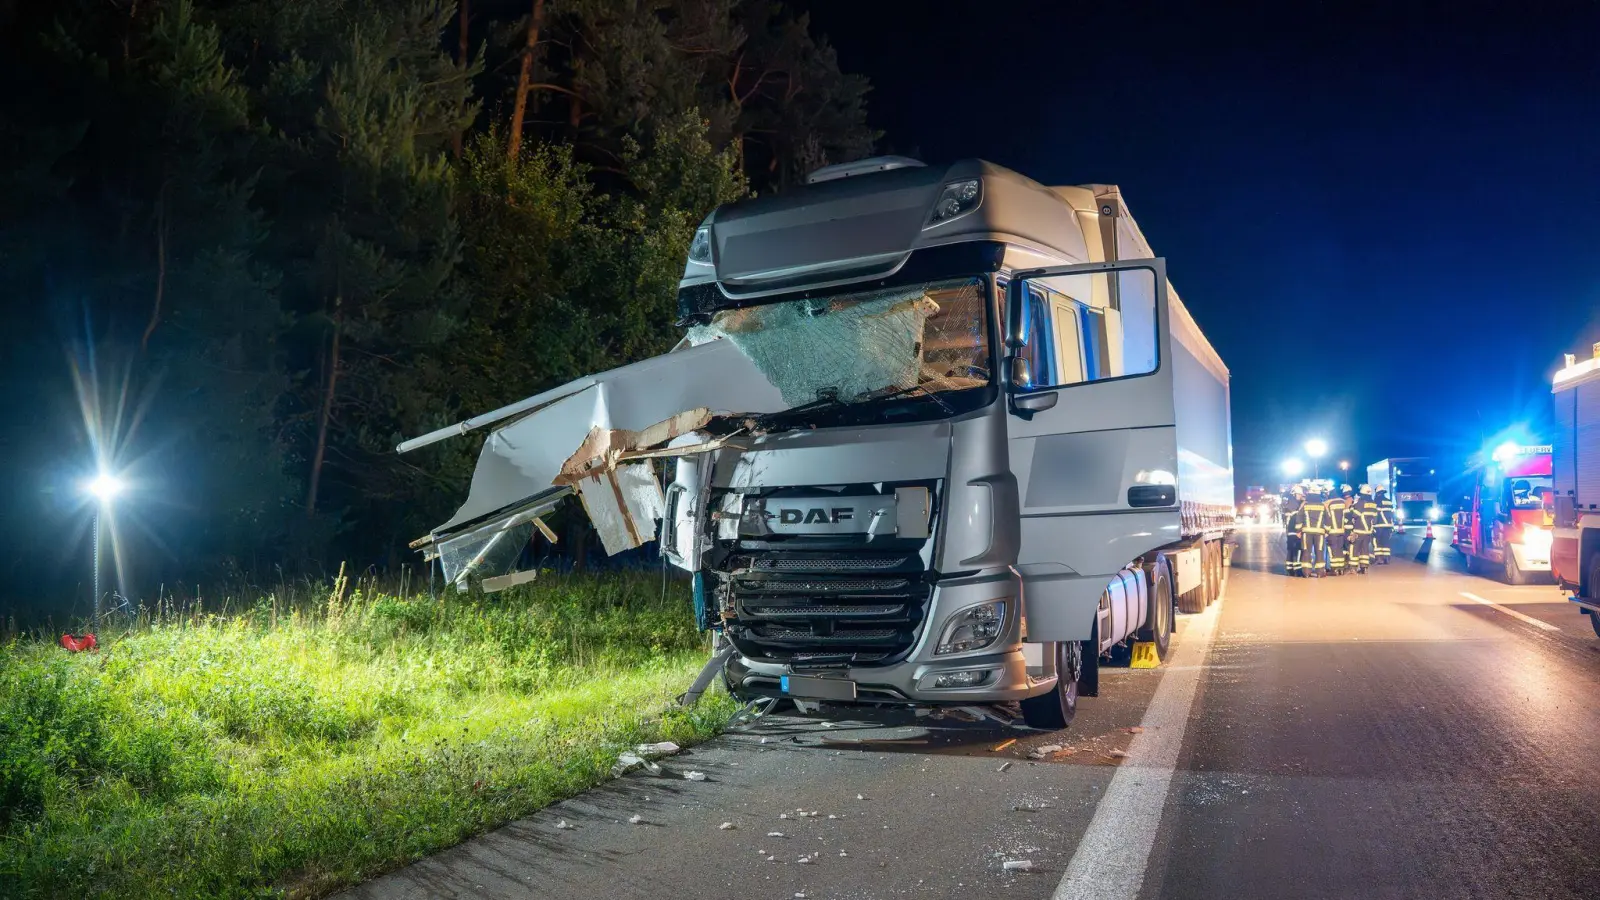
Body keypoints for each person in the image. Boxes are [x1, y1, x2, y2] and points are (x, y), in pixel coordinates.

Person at [1324, 485, 1353, 575]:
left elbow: (1326, 517)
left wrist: (1326, 530)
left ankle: (1334, 569)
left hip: (1332, 531)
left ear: (1329, 493)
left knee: (1332, 550)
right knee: (1340, 549)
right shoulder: (1343, 502)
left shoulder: (1327, 503)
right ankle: (1340, 568)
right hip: (1342, 530)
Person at [1301, 488, 1328, 577]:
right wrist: (1327, 531)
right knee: (1319, 551)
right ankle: (1320, 572)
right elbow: (1328, 519)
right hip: (1319, 533)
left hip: (1306, 533)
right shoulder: (1322, 506)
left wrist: (1298, 530)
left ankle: (1306, 572)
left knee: (1306, 551)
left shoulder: (1305, 505)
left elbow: (1299, 517)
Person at [1351, 485, 1377, 573]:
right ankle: (1364, 567)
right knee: (1365, 549)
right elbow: (1375, 518)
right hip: (1368, 531)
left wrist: (1352, 507)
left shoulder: (1360, 502)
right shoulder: (1373, 503)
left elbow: (1355, 515)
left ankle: (1353, 567)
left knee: (1355, 549)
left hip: (1359, 530)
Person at [1284, 486, 1306, 576]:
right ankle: (1298, 570)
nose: (1301, 496)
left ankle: (1290, 568)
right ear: (1295, 494)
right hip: (1294, 530)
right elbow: (1297, 517)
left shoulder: (1290, 502)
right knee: (1297, 549)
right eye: (1300, 495)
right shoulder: (1294, 504)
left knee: (1291, 550)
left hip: (1290, 530)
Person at [1373, 488, 1395, 564]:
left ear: (1377, 493)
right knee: (1386, 542)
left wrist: (1373, 525)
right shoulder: (1389, 501)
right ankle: (1386, 558)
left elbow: (1375, 514)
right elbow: (1392, 514)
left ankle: (1379, 558)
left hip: (1379, 525)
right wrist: (1392, 525)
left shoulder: (1377, 501)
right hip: (1388, 525)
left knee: (1377, 542)